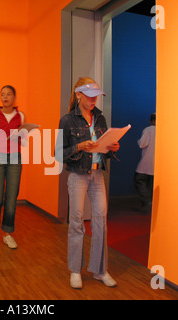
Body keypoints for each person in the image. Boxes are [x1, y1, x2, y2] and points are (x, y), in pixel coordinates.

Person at [56, 77, 120, 289]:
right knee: (76, 221)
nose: (94, 100)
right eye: (90, 96)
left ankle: (100, 270)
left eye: (96, 97)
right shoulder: (67, 120)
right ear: (78, 95)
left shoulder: (100, 119)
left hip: (97, 174)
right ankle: (75, 270)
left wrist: (111, 148)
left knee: (101, 220)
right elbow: (58, 153)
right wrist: (80, 146)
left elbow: (103, 147)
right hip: (77, 175)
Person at [0, 85, 26, 249]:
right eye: (2, 94)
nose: (5, 97)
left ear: (14, 98)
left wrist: (22, 135)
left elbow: (24, 140)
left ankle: (7, 233)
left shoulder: (20, 115)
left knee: (11, 198)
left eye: (9, 94)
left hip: (15, 159)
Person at [134, 113, 156, 213]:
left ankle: (147, 202)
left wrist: (138, 141)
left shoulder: (148, 130)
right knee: (151, 185)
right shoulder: (164, 129)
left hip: (146, 163)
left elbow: (142, 144)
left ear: (151, 121)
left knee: (139, 181)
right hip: (157, 165)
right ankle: (150, 204)